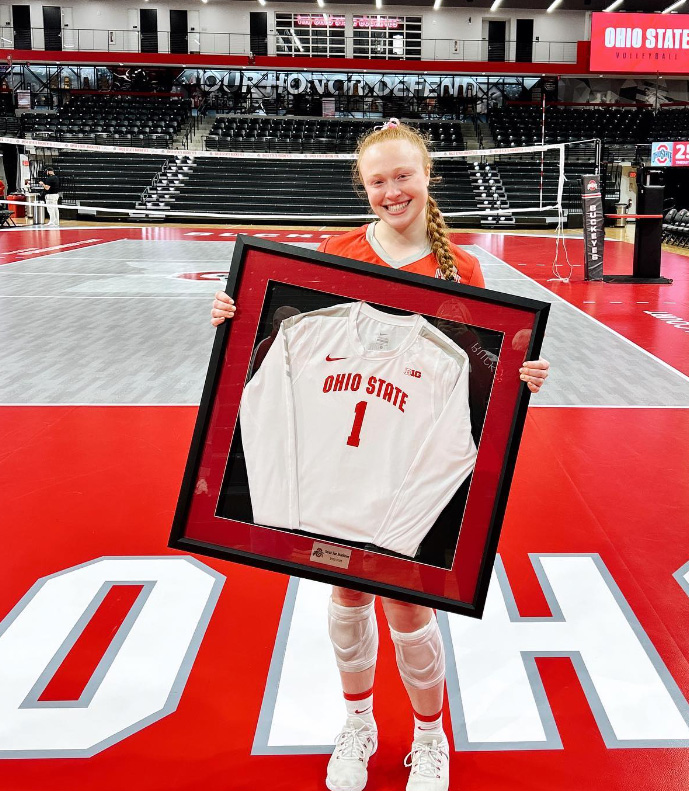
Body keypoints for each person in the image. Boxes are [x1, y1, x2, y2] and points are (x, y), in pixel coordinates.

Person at [210, 119, 549, 791]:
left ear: (427, 175)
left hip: (406, 464)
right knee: (344, 590)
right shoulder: (335, 249)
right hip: (341, 464)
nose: (392, 191)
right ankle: (358, 722)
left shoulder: (464, 269)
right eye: (378, 181)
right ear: (362, 188)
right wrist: (235, 317)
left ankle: (430, 735)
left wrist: (519, 374)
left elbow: (478, 379)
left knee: (407, 607)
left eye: (402, 176)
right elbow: (280, 348)